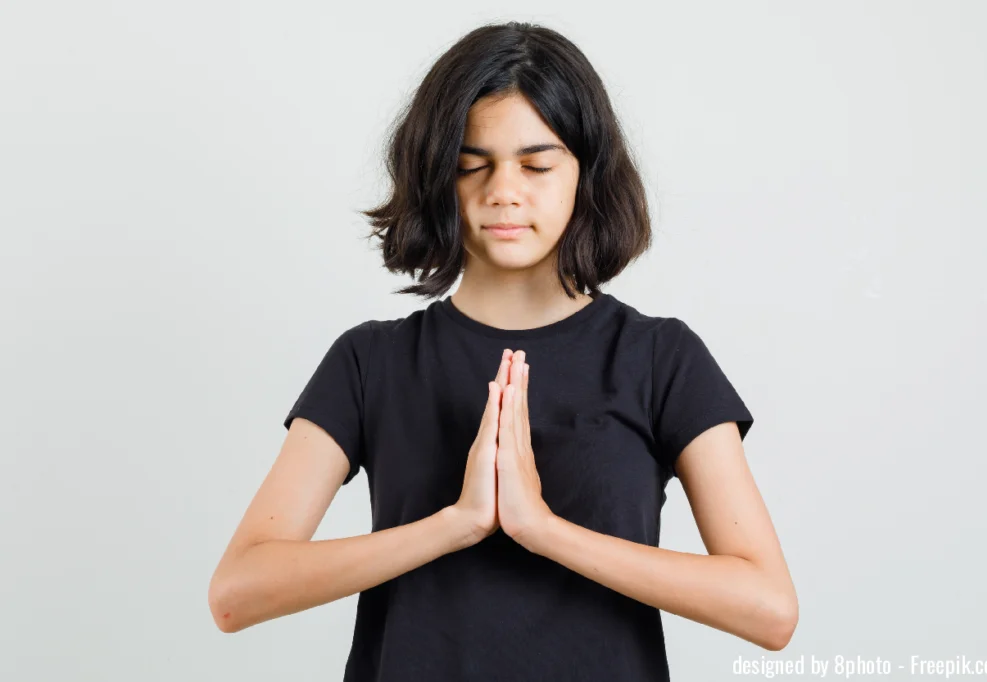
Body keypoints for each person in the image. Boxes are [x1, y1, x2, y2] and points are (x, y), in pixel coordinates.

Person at [208, 20, 798, 680]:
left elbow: (768, 610)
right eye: (471, 166)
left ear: (586, 172)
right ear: (438, 176)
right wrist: (455, 524)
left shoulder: (660, 358)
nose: (503, 192)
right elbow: (237, 594)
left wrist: (543, 529)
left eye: (537, 165)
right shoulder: (369, 362)